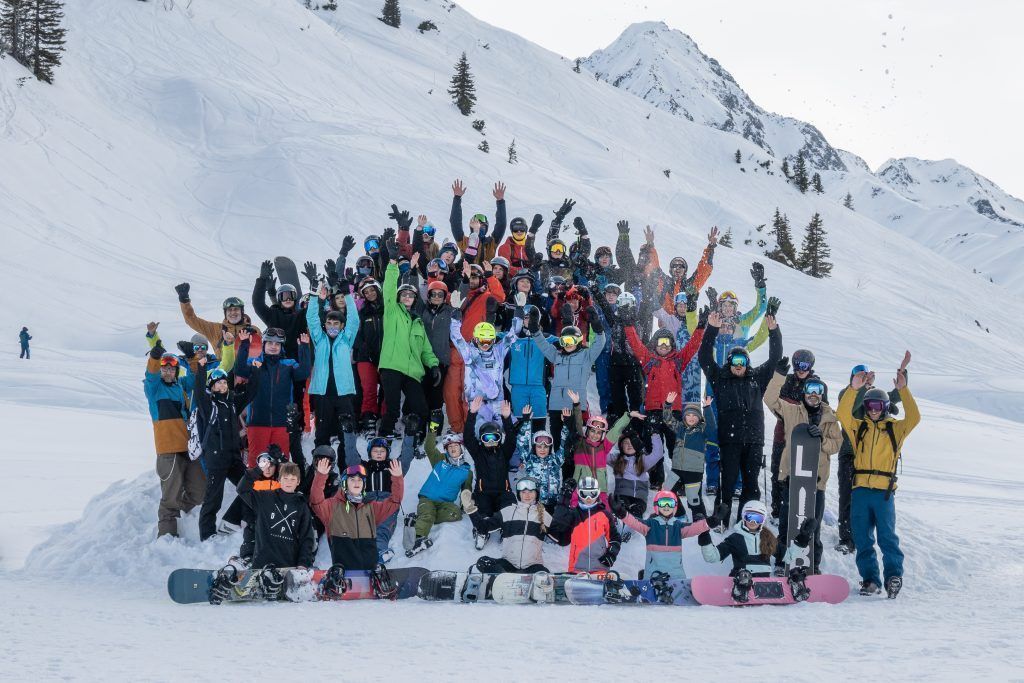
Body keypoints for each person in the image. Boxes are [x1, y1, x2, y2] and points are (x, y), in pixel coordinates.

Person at [836, 355, 919, 599]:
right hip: (860, 490)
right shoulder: (858, 427)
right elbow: (842, 413)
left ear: (884, 408)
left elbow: (914, 417)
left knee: (887, 538)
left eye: (878, 407)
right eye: (870, 406)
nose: (873, 411)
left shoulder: (896, 429)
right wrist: (854, 388)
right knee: (862, 539)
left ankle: (893, 576)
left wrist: (903, 391)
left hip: (883, 493)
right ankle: (871, 580)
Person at [698, 309, 782, 524]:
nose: (738, 365)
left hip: (754, 442)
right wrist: (712, 329)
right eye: (735, 360)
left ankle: (745, 523)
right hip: (730, 441)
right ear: (729, 362)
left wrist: (774, 332)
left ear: (747, 363)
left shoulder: (757, 380)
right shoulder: (720, 379)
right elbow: (704, 357)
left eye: (742, 361)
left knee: (751, 485)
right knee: (726, 483)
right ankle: (721, 521)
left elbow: (774, 359)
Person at [763, 361, 842, 575]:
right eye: (810, 390)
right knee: (788, 523)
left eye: (818, 391)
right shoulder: (792, 412)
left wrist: (822, 440)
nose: (813, 394)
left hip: (816, 481)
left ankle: (812, 564)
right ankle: (782, 561)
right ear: (804, 392)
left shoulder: (830, 419)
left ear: (822, 394)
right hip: (793, 478)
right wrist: (779, 375)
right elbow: (769, 399)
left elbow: (836, 445)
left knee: (812, 525)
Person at [834, 361, 906, 555]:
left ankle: (862, 536)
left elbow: (893, 397)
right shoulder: (847, 394)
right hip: (850, 453)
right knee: (847, 496)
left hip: (871, 458)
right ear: (853, 377)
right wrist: (861, 389)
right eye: (859, 374)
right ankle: (847, 538)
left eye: (865, 374)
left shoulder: (873, 397)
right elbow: (847, 410)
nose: (863, 376)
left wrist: (902, 374)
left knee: (866, 500)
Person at [143, 331, 204, 538]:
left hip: (188, 449)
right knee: (170, 495)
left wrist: (191, 358)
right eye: (165, 368)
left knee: (199, 491)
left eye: (172, 368)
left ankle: (181, 514)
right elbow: (150, 375)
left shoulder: (181, 387)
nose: (168, 372)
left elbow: (196, 378)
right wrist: (154, 357)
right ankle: (167, 534)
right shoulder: (154, 389)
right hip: (168, 451)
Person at [193, 354, 259, 541]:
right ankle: (207, 534)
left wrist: (256, 370)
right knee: (213, 497)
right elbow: (198, 392)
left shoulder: (231, 404)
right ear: (212, 387)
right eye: (217, 383)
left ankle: (250, 519)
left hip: (233, 458)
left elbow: (251, 393)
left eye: (224, 382)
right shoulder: (209, 406)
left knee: (250, 487)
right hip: (216, 459)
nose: (222, 386)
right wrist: (201, 369)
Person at [377, 259, 441, 439]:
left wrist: (434, 365)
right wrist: (391, 263)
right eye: (403, 294)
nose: (407, 297)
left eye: (410, 295)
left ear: (414, 299)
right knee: (393, 408)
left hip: (412, 371)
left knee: (421, 406)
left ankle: (417, 437)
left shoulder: (418, 323)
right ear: (398, 297)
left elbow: (426, 350)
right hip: (392, 366)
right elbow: (389, 289)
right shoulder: (392, 311)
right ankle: (383, 439)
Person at [527, 305, 606, 447]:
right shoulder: (557, 355)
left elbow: (600, 343)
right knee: (556, 438)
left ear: (578, 340)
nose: (567, 344)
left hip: (575, 404)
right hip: (556, 404)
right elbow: (543, 345)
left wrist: (597, 326)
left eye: (570, 341)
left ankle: (573, 466)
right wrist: (534, 329)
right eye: (564, 341)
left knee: (574, 439)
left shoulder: (586, 356)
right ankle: (558, 463)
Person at [233, 327, 311, 466]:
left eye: (277, 344)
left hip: (282, 423)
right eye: (270, 343)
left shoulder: (288, 364)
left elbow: (304, 372)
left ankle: (279, 488)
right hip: (257, 422)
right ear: (264, 345)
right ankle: (255, 489)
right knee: (256, 464)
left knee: (280, 464)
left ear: (281, 347)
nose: (273, 347)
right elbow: (239, 369)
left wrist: (304, 347)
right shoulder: (255, 363)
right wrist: (245, 344)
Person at [310, 458, 404, 571]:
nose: (356, 483)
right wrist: (321, 476)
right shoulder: (332, 507)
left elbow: (394, 502)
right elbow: (316, 502)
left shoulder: (371, 507)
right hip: (345, 576)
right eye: (352, 479)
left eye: (360, 480)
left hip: (370, 576)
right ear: (345, 483)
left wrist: (397, 478)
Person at [252, 261, 310, 428]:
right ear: (279, 298)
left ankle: (297, 427)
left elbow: (314, 311)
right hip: (275, 361)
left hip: (295, 362)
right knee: (276, 393)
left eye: (291, 295)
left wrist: (313, 289)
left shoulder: (300, 316)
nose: (288, 299)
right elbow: (257, 304)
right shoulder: (272, 315)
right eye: (284, 296)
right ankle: (275, 424)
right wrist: (261, 280)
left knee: (297, 394)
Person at [235, 462, 316, 575]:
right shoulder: (264, 497)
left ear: (298, 481)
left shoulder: (302, 506)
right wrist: (259, 469)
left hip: (288, 567)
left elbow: (307, 538)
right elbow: (242, 489)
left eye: (293, 479)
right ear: (279, 480)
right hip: (261, 565)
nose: (289, 482)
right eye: (285, 478)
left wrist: (303, 564)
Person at [611, 490, 712, 579]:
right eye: (663, 503)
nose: (666, 506)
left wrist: (714, 520)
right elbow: (634, 521)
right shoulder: (650, 525)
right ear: (657, 506)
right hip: (653, 574)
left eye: (670, 503)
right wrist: (621, 512)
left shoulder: (678, 526)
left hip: (676, 575)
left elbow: (697, 527)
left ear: (675, 506)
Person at [767, 348, 819, 521]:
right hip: (783, 433)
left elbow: (819, 406)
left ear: (810, 366)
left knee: (801, 475)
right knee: (779, 472)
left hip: (805, 436)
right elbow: (774, 402)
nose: (801, 369)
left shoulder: (815, 383)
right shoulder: (787, 381)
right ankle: (777, 510)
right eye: (798, 365)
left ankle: (800, 509)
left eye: (805, 365)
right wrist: (779, 375)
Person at [305, 284, 360, 449]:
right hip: (323, 394)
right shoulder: (319, 339)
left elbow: (354, 320)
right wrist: (314, 296)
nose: (332, 326)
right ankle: (322, 468)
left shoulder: (346, 339)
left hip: (343, 393)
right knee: (322, 434)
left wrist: (347, 295)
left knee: (347, 433)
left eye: (336, 324)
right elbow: (312, 319)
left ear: (342, 326)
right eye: (329, 323)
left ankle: (347, 468)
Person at [407, 427, 474, 556]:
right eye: (450, 447)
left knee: (456, 514)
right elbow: (429, 448)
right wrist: (432, 430)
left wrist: (465, 503)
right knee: (428, 514)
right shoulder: (440, 460)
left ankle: (418, 519)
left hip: (444, 503)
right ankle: (419, 538)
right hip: (427, 498)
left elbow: (467, 489)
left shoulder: (467, 471)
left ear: (461, 448)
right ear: (446, 450)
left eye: (456, 446)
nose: (453, 448)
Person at [467, 476, 553, 574]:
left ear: (536, 493)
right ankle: (506, 579)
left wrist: (565, 503)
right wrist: (471, 510)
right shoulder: (508, 512)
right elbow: (483, 527)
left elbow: (562, 539)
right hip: (508, 564)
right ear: (519, 494)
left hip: (533, 566)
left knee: (543, 573)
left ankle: (509, 579)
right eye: (523, 492)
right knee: (483, 562)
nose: (527, 495)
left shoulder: (544, 515)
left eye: (531, 492)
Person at [464, 398, 517, 549]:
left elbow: (512, 440)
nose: (491, 441)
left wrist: (506, 419)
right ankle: (482, 532)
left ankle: (506, 528)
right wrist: (472, 414)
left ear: (499, 439)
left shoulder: (504, 452)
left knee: (510, 508)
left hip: (503, 492)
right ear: (481, 440)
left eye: (494, 437)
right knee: (483, 511)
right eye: (487, 438)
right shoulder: (478, 453)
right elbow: (468, 438)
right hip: (484, 492)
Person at [548, 476, 621, 573]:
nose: (588, 498)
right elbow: (558, 532)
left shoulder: (605, 515)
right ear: (578, 492)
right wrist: (564, 499)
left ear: (598, 492)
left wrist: (611, 554)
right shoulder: (573, 514)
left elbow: (615, 538)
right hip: (577, 569)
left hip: (600, 568)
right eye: (584, 494)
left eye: (592, 493)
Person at [699, 499, 777, 589]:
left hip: (762, 588)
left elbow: (787, 555)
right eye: (749, 517)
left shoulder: (768, 538)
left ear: (762, 521)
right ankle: (739, 591)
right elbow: (712, 556)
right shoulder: (735, 538)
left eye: (757, 519)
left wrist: (797, 542)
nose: (753, 522)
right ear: (744, 517)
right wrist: (704, 536)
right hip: (740, 585)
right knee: (743, 575)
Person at [664, 394, 716, 520]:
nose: (691, 418)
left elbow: (712, 428)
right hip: (677, 468)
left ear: (699, 418)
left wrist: (707, 408)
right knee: (667, 492)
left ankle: (700, 519)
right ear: (684, 417)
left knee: (694, 499)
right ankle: (680, 514)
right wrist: (667, 405)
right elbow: (668, 419)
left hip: (693, 471)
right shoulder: (680, 428)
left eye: (694, 415)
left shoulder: (702, 430)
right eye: (688, 415)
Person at [509, 405, 572, 508]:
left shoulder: (555, 460)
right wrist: (526, 422)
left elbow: (564, 445)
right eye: (539, 447)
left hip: (553, 504)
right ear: (534, 447)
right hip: (535, 504)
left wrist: (566, 424)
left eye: (546, 447)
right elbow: (522, 443)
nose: (542, 449)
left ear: (550, 448)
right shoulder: (529, 460)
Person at [353, 277, 385, 434]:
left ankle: (386, 418)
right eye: (366, 292)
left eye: (372, 290)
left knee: (387, 388)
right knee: (369, 388)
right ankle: (368, 419)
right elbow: (355, 335)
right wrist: (365, 349)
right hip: (366, 357)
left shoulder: (387, 309)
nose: (370, 293)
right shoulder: (362, 313)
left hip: (386, 356)